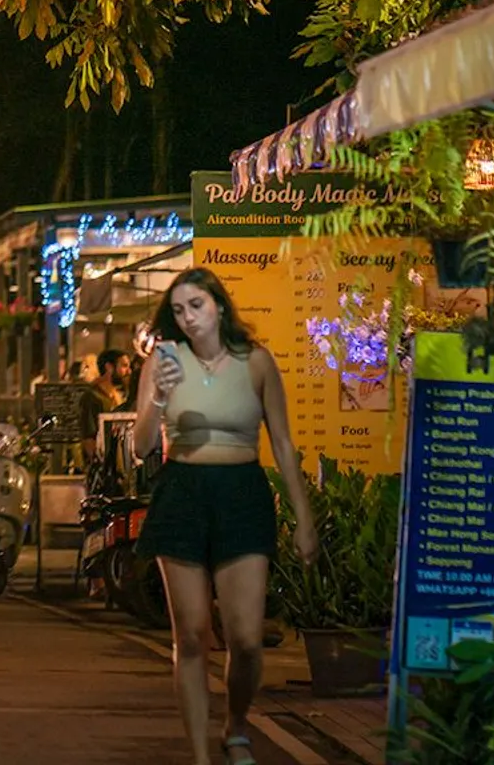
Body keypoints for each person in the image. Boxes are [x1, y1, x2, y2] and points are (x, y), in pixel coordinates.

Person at [131, 268, 317, 765]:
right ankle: (200, 755)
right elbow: (140, 446)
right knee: (191, 635)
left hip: (241, 493)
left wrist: (303, 517)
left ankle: (236, 725)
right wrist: (157, 398)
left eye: (195, 305)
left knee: (247, 639)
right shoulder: (163, 362)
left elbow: (281, 442)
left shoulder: (254, 362)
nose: (187, 318)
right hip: (182, 492)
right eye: (177, 310)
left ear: (218, 305)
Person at [79, 348, 133, 462]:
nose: (129, 371)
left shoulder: (117, 395)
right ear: (109, 367)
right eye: (124, 366)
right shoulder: (91, 397)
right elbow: (88, 437)